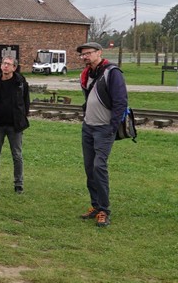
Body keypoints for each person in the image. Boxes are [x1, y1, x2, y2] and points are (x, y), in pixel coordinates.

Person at [77, 42, 127, 228]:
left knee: (99, 166)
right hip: (88, 127)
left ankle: (104, 210)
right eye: (83, 54)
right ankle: (96, 205)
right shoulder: (88, 73)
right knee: (90, 168)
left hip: (103, 129)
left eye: (89, 53)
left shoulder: (112, 73)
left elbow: (121, 102)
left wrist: (111, 127)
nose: (85, 57)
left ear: (99, 53)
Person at [0, 56, 30, 194]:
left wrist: (21, 117)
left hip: (14, 125)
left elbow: (26, 103)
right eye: (4, 63)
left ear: (14, 67)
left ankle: (18, 184)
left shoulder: (21, 83)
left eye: (9, 64)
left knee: (17, 155)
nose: (5, 66)